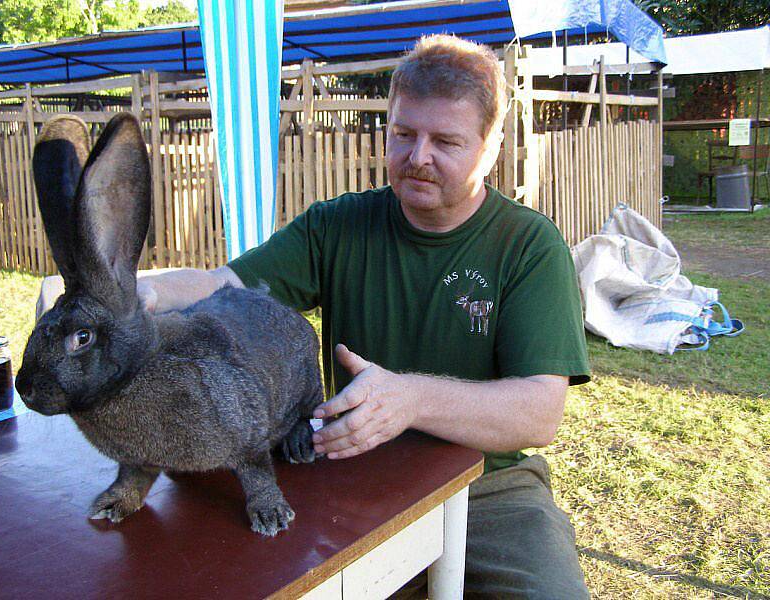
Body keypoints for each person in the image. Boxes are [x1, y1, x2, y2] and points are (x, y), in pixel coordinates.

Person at [141, 34, 591, 599]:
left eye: (445, 141)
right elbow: (221, 287)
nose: (417, 157)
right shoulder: (337, 226)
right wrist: (143, 299)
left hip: (492, 489)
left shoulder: (529, 246)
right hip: (351, 471)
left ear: (492, 147)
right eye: (403, 134)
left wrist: (409, 399)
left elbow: (538, 414)